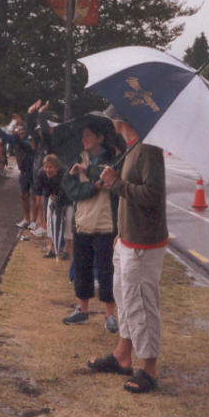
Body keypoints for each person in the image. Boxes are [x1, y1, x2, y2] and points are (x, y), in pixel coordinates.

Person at [87, 105, 168, 394]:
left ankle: (148, 368)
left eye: (113, 115)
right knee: (125, 298)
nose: (110, 119)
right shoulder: (132, 148)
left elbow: (152, 195)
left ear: (123, 119)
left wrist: (116, 183)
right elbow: (130, 192)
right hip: (128, 239)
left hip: (144, 242)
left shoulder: (148, 149)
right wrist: (120, 233)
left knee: (142, 305)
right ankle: (123, 354)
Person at [61, 117, 120, 331]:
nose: (84, 139)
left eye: (88, 135)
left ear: (100, 138)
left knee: (107, 270)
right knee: (82, 267)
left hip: (106, 223)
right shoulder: (79, 158)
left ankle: (110, 315)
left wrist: (88, 172)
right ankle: (82, 310)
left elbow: (108, 179)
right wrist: (92, 188)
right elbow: (69, 187)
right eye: (83, 135)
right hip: (82, 222)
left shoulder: (113, 159)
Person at [36, 154, 72, 259]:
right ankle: (52, 248)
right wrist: (50, 195)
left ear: (57, 168)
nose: (48, 170)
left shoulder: (65, 173)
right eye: (46, 167)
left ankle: (66, 249)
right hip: (53, 195)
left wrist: (60, 201)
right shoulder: (41, 173)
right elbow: (43, 188)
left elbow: (67, 191)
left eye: (50, 167)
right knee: (50, 220)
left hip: (68, 197)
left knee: (69, 220)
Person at [26, 100, 54, 237]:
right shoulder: (40, 141)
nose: (39, 132)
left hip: (46, 177)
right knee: (38, 201)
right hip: (37, 176)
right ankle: (41, 225)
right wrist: (31, 113)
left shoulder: (50, 140)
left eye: (41, 130)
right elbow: (30, 129)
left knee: (43, 203)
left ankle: (45, 226)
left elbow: (44, 130)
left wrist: (41, 113)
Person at [3, 121, 34, 228]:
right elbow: (5, 137)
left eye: (22, 130)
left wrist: (15, 134)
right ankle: (26, 219)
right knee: (23, 196)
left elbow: (21, 142)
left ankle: (34, 221)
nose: (20, 132)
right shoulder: (17, 141)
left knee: (35, 197)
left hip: (32, 173)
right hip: (23, 173)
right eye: (19, 130)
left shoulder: (29, 142)